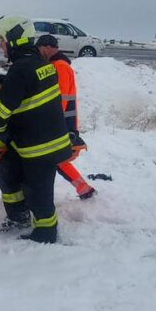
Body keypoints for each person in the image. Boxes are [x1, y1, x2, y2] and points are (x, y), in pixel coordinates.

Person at [0, 15, 73, 243]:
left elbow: (3, 110)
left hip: (40, 147)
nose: (0, 44)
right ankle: (18, 217)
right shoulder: (41, 65)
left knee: (39, 192)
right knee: (7, 170)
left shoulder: (21, 69)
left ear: (14, 40)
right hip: (36, 140)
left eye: (2, 39)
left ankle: (46, 233)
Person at [36, 35, 95, 199]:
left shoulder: (60, 67)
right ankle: (84, 188)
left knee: (53, 158)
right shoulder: (57, 65)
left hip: (61, 124)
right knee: (56, 160)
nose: (39, 54)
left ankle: (84, 188)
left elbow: (59, 100)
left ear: (47, 48)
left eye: (39, 50)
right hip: (62, 123)